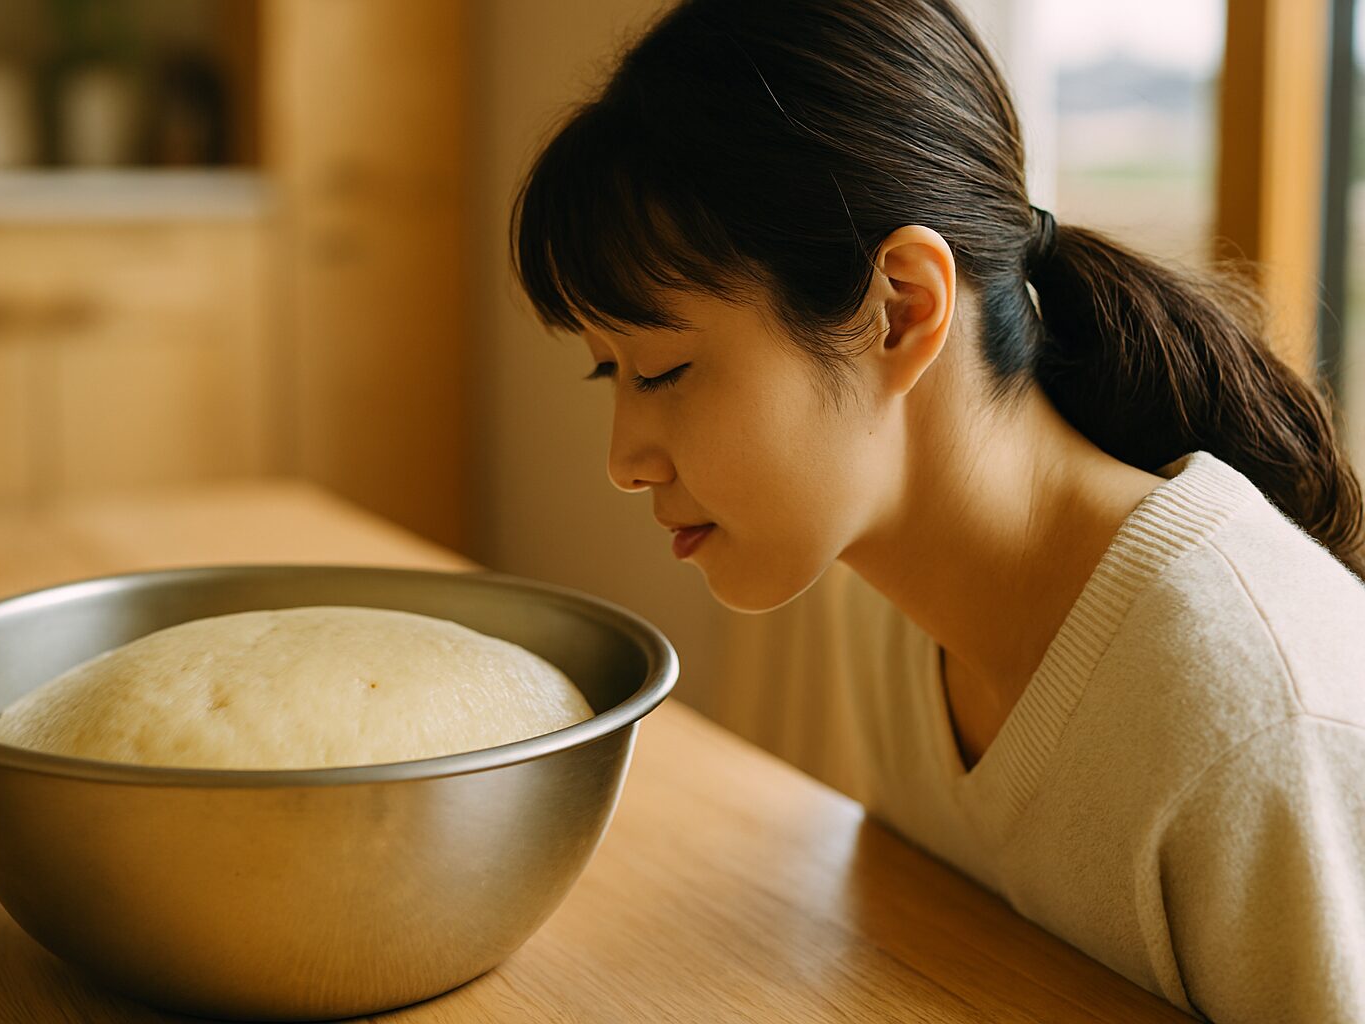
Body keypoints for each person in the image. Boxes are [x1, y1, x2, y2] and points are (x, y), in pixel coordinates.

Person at [507, 1, 1365, 1021]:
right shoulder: (888, 588)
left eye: (664, 369)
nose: (623, 462)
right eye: (612, 373)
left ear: (904, 307)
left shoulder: (1246, 713)